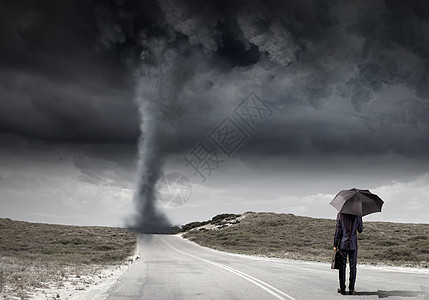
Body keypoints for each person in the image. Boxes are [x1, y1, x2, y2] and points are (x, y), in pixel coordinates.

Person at [334, 212, 363, 295]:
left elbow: (338, 231)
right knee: (353, 267)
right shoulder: (358, 215)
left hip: (343, 244)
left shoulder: (340, 215)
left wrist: (335, 244)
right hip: (353, 245)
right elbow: (360, 230)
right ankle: (351, 289)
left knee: (342, 267)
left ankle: (342, 289)